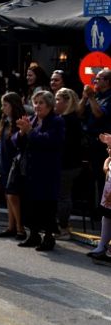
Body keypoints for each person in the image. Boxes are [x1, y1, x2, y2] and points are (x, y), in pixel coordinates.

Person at [14, 90, 65, 251]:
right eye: (35, 103)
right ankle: (33, 234)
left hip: (47, 171)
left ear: (49, 105)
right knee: (30, 204)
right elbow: (16, 141)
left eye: (41, 103)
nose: (37, 106)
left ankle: (48, 237)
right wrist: (22, 132)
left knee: (46, 205)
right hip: (30, 170)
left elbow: (49, 141)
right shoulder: (32, 120)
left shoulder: (57, 121)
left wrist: (30, 131)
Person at [0, 92, 27, 240]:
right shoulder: (5, 121)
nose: (2, 108)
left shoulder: (19, 122)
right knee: (8, 195)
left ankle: (20, 228)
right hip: (5, 163)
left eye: (5, 105)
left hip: (15, 163)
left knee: (13, 195)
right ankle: (11, 226)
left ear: (13, 106)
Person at [53, 88, 83, 240]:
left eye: (58, 100)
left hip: (66, 164)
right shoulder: (72, 118)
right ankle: (62, 225)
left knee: (63, 196)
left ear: (66, 102)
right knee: (63, 195)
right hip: (71, 163)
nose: (55, 103)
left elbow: (63, 144)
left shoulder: (66, 120)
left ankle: (63, 228)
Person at [79, 69, 111, 208]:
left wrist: (91, 98)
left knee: (101, 176)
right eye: (95, 79)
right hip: (89, 142)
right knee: (90, 176)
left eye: (99, 79)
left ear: (108, 81)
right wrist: (85, 98)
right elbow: (79, 113)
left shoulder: (109, 98)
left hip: (102, 143)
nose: (95, 81)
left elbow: (98, 114)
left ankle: (102, 207)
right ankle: (92, 207)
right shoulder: (95, 96)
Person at [88, 134, 111, 263]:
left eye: (110, 147)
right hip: (108, 198)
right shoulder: (110, 159)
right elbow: (106, 171)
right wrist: (107, 163)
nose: (108, 150)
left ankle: (106, 248)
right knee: (106, 217)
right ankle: (102, 245)